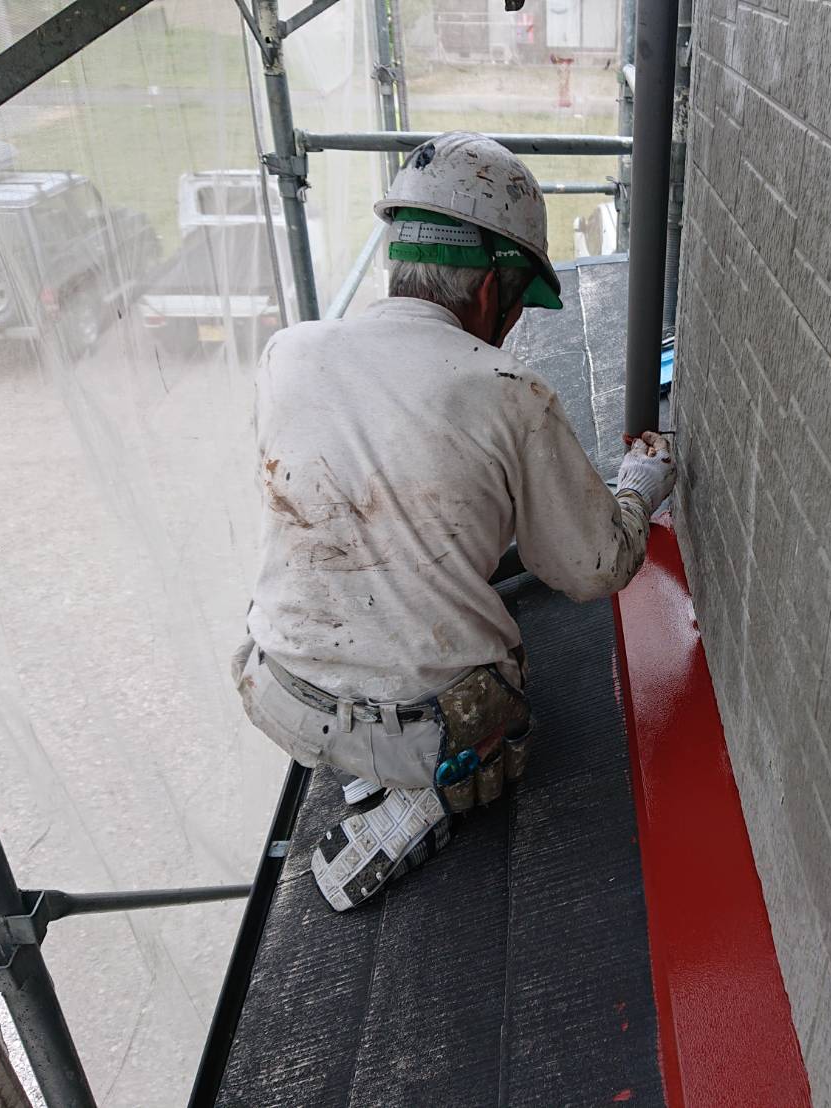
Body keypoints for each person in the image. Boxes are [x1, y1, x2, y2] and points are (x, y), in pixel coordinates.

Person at [232, 131, 676, 911]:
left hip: (272, 685)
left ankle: (368, 762)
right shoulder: (504, 387)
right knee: (501, 720)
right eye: (515, 306)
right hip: (434, 731)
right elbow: (593, 568)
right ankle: (427, 794)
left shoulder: (288, 353)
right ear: (488, 291)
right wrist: (638, 485)